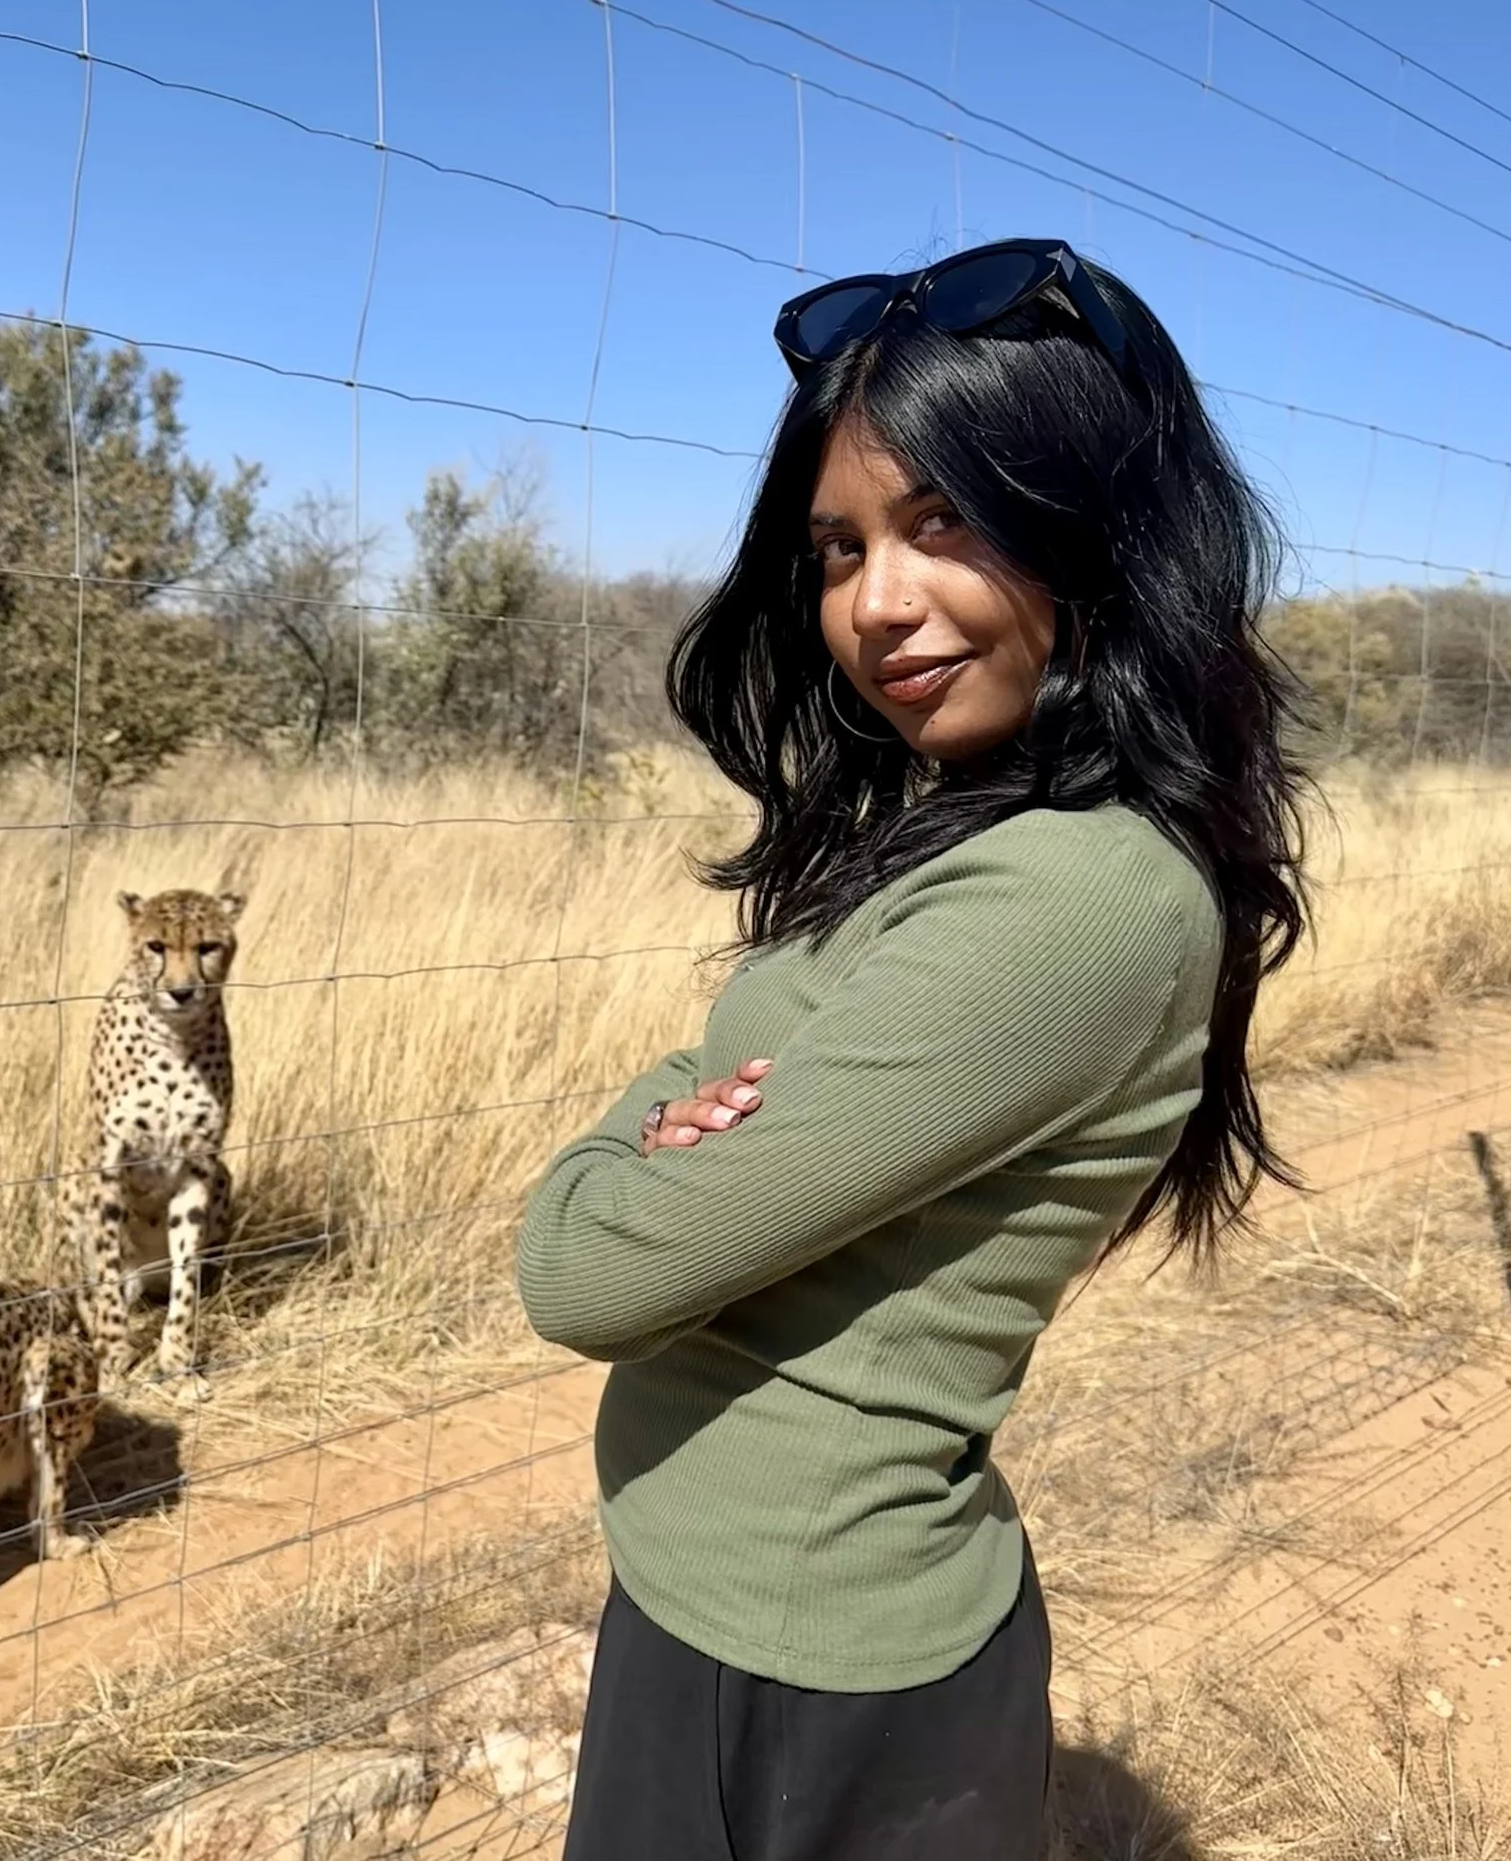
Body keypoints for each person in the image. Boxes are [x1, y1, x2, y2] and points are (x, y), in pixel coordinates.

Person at [514, 238, 1310, 1860]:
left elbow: (586, 1275)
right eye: (838, 547)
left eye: (941, 522)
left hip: (808, 1677)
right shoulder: (974, 825)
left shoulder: (1074, 895)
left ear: (1094, 527)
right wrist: (694, 1118)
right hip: (742, 1621)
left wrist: (650, 1113)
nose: (874, 603)